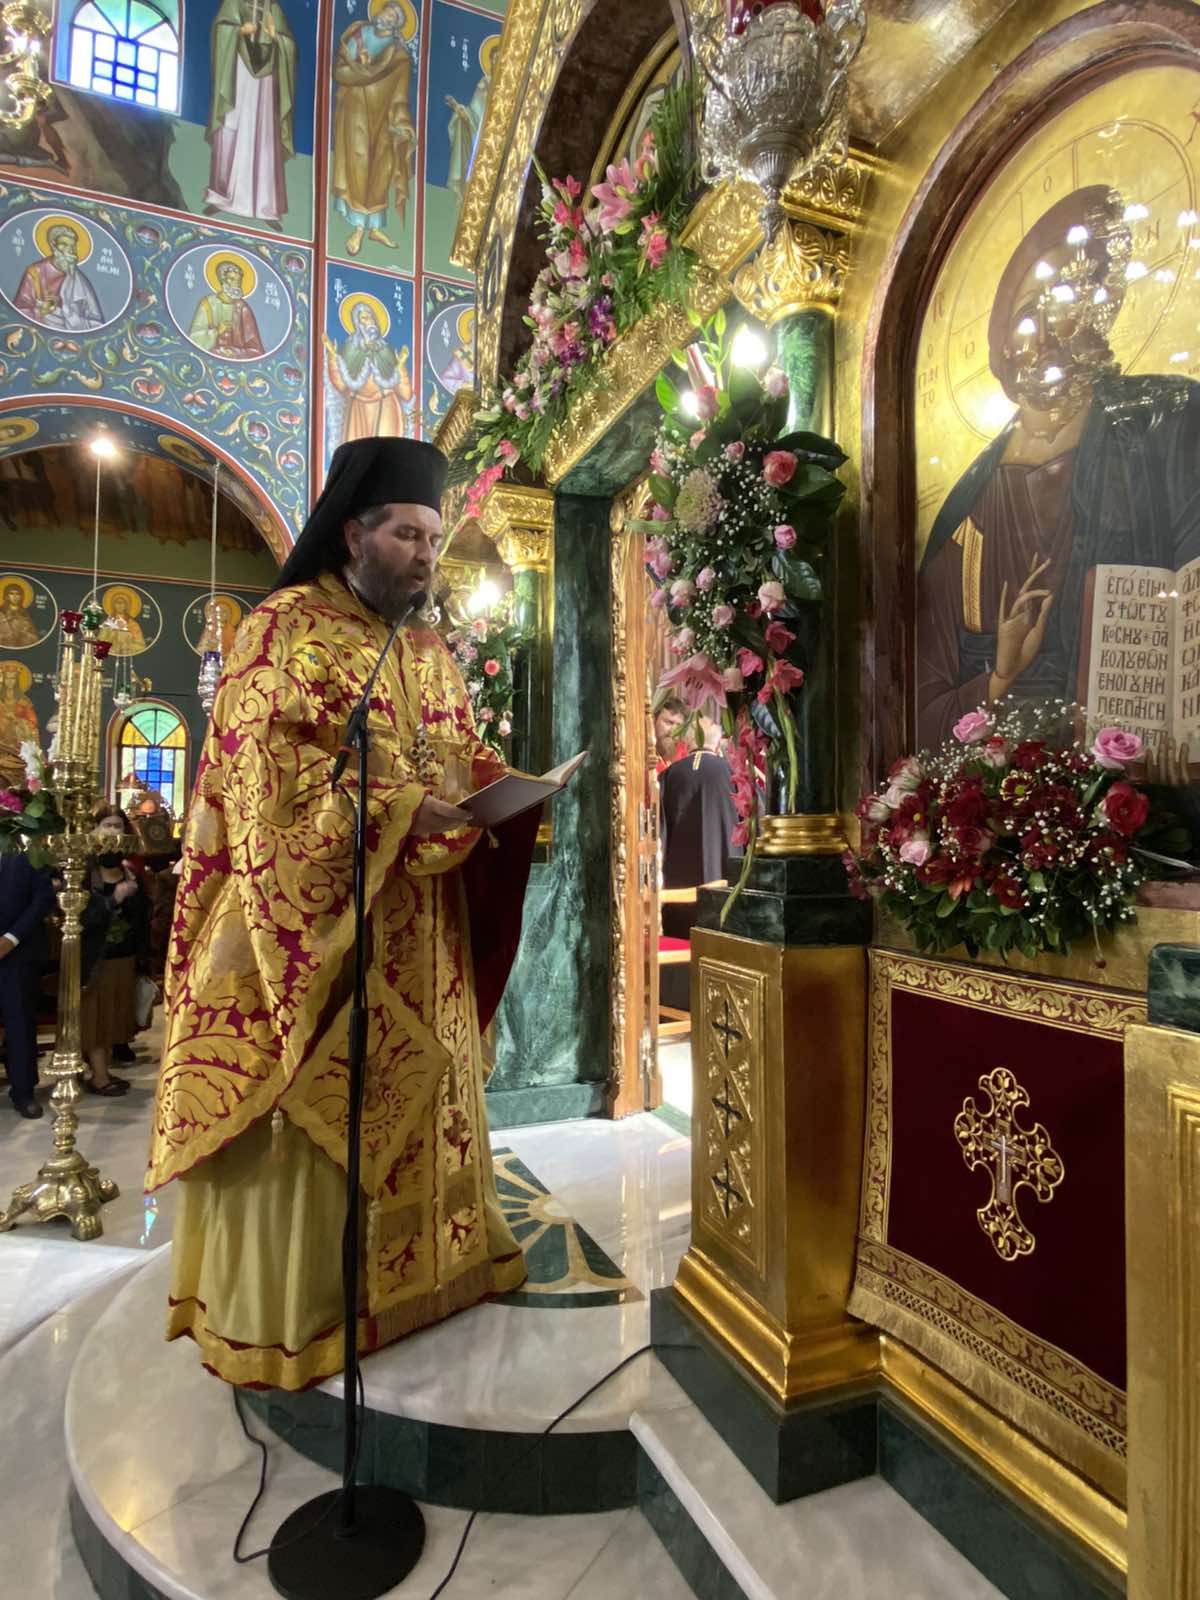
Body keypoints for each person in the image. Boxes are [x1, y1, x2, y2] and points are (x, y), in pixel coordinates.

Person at [147, 437, 540, 1390]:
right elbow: (264, 783)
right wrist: (397, 808)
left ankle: (437, 1271)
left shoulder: (428, 650)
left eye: (435, 539)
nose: (425, 556)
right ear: (354, 533)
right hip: (324, 941)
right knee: (330, 1104)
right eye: (408, 535)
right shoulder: (283, 630)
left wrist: (499, 787)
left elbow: (454, 749)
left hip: (426, 932)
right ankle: (313, 1311)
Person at [918, 184, 1200, 747]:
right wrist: (1000, 677)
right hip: (1007, 779)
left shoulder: (1167, 422)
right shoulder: (966, 514)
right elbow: (922, 705)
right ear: (1002, 343)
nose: (1046, 338)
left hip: (1144, 765)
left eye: (1066, 305)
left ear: (1098, 315)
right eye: (1028, 318)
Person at [331, 1, 417, 257]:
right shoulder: (358, 36)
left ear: (396, 25)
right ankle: (358, 227)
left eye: (392, 18)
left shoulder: (399, 57)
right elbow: (341, 70)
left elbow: (400, 96)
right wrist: (361, 68)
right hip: (355, 110)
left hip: (384, 118)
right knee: (358, 165)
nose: (385, 19)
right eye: (385, 13)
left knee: (382, 167)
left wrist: (402, 123)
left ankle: (375, 226)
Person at [203, 0, 296, 227]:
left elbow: (289, 47)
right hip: (237, 73)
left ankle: (266, 206)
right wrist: (239, 31)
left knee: (264, 136)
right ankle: (221, 197)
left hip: (265, 86)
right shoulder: (234, 3)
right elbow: (220, 29)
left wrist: (275, 36)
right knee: (230, 129)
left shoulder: (274, 9)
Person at [81, 807, 150, 1098]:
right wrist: (115, 899)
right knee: (96, 1018)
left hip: (124, 956)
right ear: (95, 830)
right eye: (107, 825)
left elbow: (143, 917)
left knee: (112, 1019)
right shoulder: (85, 872)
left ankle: (103, 1071)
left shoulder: (129, 869)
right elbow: (82, 917)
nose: (112, 832)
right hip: (96, 959)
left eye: (118, 826)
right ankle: (98, 1077)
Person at [0, 846, 57, 1119]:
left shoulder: (27, 849)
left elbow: (42, 897)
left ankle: (23, 1091)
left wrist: (10, 939)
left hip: (18, 952)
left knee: (20, 1022)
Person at [324, 301, 414, 445]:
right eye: (364, 318)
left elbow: (404, 392)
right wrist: (333, 356)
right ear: (357, 323)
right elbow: (341, 385)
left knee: (386, 452)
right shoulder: (350, 349)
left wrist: (401, 363)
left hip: (386, 405)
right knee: (358, 453)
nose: (369, 321)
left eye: (370, 317)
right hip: (358, 408)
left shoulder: (386, 350)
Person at [13, 222, 102, 332]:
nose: (70, 250)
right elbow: (20, 310)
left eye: (73, 246)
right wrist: (41, 311)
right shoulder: (35, 272)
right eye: (64, 244)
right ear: (53, 245)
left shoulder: (79, 279)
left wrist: (70, 316)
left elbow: (96, 322)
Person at [187, 260, 266, 360]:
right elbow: (194, 340)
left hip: (235, 360)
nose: (236, 284)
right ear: (222, 280)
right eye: (231, 279)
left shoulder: (243, 308)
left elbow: (256, 350)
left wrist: (235, 353)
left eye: (238, 280)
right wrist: (217, 332)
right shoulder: (208, 304)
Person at [653, 695, 689, 776]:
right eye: (669, 722)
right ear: (654, 720)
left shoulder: (687, 755)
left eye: (679, 726)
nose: (673, 731)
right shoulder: (642, 750)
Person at [0, 584, 39, 648]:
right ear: (6, 596)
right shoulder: (1, 612)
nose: (14, 596)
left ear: (21, 596)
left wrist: (25, 634)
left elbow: (35, 637)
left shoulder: (26, 614)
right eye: (11, 594)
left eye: (18, 594)